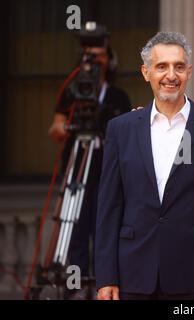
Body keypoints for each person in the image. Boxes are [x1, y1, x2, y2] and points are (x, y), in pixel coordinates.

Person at [95, 31, 194, 300]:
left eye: (179, 67)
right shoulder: (121, 130)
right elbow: (109, 207)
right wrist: (106, 277)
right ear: (146, 73)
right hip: (132, 274)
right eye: (161, 67)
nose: (171, 75)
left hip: (193, 276)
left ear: (189, 72)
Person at [48, 25, 131, 298]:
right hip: (77, 176)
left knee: (105, 231)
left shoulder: (119, 97)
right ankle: (75, 290)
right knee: (76, 233)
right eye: (89, 57)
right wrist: (68, 128)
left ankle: (104, 287)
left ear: (110, 60)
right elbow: (56, 128)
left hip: (108, 176)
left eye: (99, 56)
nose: (94, 62)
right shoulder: (72, 92)